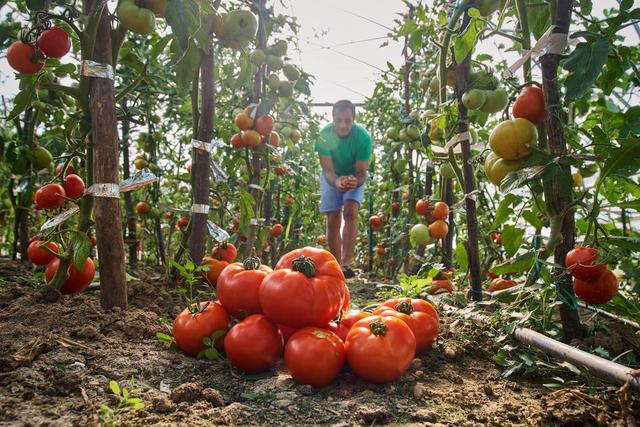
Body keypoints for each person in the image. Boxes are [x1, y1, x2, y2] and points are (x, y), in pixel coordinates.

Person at [315, 100, 372, 278]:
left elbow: (362, 172)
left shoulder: (363, 138)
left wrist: (355, 181)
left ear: (354, 119)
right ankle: (336, 264)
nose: (343, 125)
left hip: (355, 176)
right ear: (333, 119)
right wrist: (337, 181)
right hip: (332, 176)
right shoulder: (324, 136)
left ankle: (346, 264)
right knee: (333, 218)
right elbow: (327, 170)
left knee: (350, 212)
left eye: (347, 120)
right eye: (339, 120)